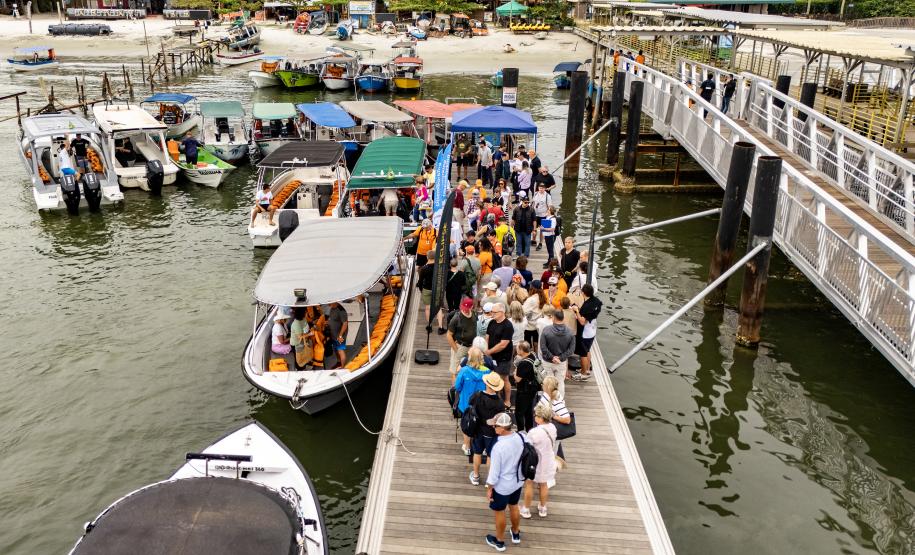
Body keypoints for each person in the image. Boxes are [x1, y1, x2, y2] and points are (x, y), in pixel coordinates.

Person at [484, 411, 524, 551]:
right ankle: (516, 532)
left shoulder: (498, 447)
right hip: (518, 482)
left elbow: (494, 474)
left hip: (502, 486)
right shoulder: (520, 437)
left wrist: (489, 488)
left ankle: (500, 541)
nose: (493, 428)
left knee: (499, 511)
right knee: (514, 506)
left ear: (501, 428)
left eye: (495, 426)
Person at [520, 402, 557, 519]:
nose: (534, 416)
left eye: (536, 415)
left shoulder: (534, 432)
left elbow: (527, 446)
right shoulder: (553, 428)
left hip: (535, 463)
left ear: (541, 418)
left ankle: (526, 509)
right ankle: (542, 507)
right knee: (544, 484)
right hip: (548, 461)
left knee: (529, 484)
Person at [469, 372, 505, 486]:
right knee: (490, 456)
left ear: (487, 384)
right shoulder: (499, 402)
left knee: (477, 453)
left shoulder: (478, 395)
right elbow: (500, 419)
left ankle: (475, 476)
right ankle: (489, 480)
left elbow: (470, 405)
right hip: (492, 432)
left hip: (478, 430)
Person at [454, 346, 491, 455]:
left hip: (466, 404)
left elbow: (457, 386)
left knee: (466, 424)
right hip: (481, 405)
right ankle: (483, 448)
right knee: (482, 425)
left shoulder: (464, 370)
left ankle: (467, 447)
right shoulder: (487, 372)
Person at [539, 309, 575, 398]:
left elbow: (543, 347)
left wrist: (552, 357)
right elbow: (571, 350)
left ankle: (548, 401)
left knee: (548, 382)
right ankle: (560, 401)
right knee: (560, 383)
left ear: (554, 318)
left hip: (547, 361)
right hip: (561, 362)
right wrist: (560, 358)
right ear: (563, 317)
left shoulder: (546, 330)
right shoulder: (570, 332)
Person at [485, 302, 515, 406]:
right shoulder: (492, 322)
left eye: (494, 312)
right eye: (491, 312)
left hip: (503, 358)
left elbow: (503, 344)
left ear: (502, 312)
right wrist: (486, 348)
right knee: (493, 377)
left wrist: (489, 351)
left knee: (504, 378)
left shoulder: (508, 326)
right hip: (492, 357)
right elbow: (487, 336)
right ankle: (496, 399)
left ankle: (507, 400)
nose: (492, 314)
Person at [571, 284, 601, 381]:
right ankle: (587, 369)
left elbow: (582, 322)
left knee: (583, 353)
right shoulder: (596, 301)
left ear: (583, 293)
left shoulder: (587, 306)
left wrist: (576, 311)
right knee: (588, 350)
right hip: (592, 330)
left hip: (585, 333)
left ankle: (584, 374)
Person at [448, 297, 477, 381]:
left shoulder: (474, 314)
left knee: (470, 368)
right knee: (455, 371)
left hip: (472, 347)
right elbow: (449, 335)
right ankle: (455, 392)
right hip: (460, 346)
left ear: (472, 307)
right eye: (464, 308)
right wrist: (455, 349)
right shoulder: (456, 318)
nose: (464, 310)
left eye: (467, 308)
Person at [512, 341, 539, 431]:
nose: (516, 349)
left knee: (519, 412)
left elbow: (517, 379)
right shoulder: (533, 355)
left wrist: (515, 372)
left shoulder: (524, 363)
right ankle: (529, 429)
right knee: (528, 411)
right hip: (533, 388)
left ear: (521, 350)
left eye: (517, 348)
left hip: (524, 390)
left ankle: (520, 431)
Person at [416, 250, 445, 333]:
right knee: (438, 308)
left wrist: (422, 290)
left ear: (427, 257)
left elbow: (420, 281)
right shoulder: (439, 267)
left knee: (428, 308)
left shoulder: (424, 268)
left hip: (426, 289)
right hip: (437, 289)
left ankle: (429, 325)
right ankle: (440, 327)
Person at [522, 280, 546, 349]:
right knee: (536, 343)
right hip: (537, 325)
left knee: (528, 346)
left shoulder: (531, 299)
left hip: (529, 326)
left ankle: (530, 357)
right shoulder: (542, 297)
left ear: (533, 288)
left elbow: (523, 311)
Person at [327, 302, 349, 368]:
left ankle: (342, 367)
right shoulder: (332, 308)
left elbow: (345, 324)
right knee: (336, 349)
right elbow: (332, 319)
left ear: (335, 302)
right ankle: (339, 362)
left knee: (340, 351)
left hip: (339, 336)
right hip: (333, 334)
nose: (328, 305)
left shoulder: (341, 311)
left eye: (330, 303)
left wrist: (340, 335)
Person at [512, 193, 534, 258]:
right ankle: (518, 254)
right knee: (518, 243)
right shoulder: (516, 209)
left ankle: (526, 255)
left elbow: (534, 220)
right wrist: (510, 228)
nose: (527, 204)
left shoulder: (531, 209)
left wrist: (534, 229)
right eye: (525, 202)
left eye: (528, 202)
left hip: (528, 230)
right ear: (522, 202)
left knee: (527, 243)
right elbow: (513, 219)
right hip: (518, 229)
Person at [531, 184, 551, 250]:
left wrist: (549, 215)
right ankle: (533, 240)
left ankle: (540, 243)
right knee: (534, 228)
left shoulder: (547, 196)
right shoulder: (536, 193)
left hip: (544, 215)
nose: (541, 189)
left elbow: (549, 206)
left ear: (545, 189)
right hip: (535, 214)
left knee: (543, 230)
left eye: (542, 188)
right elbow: (533, 203)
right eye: (540, 188)